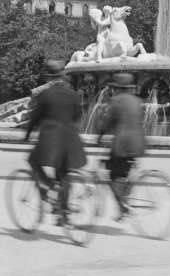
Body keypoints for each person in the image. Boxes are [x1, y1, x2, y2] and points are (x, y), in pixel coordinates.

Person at [24, 60, 87, 225]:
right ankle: (63, 214)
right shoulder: (73, 94)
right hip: (71, 140)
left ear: (48, 77)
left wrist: (28, 134)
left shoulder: (45, 94)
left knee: (33, 160)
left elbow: (36, 118)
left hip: (51, 140)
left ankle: (49, 186)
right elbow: (77, 116)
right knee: (64, 174)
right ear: (63, 76)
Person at [97, 73, 146, 220]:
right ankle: (124, 203)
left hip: (123, 143)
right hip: (138, 142)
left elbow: (108, 122)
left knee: (112, 174)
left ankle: (122, 205)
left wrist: (99, 136)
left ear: (116, 88)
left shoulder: (116, 101)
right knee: (123, 173)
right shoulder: (137, 101)